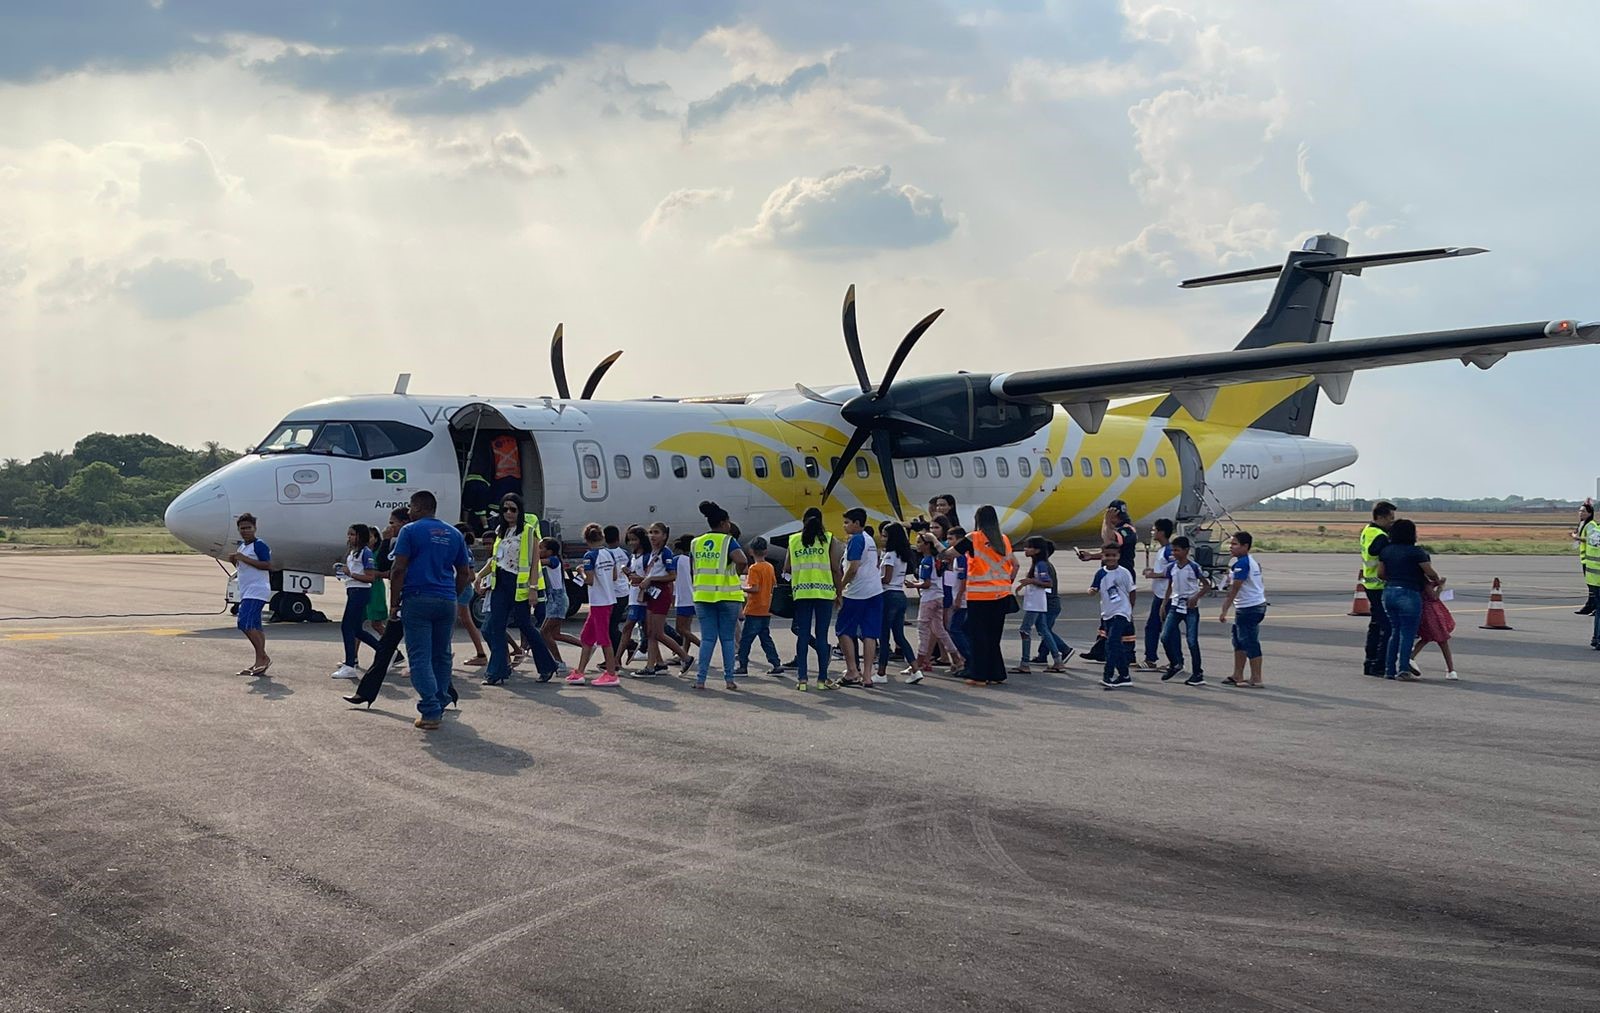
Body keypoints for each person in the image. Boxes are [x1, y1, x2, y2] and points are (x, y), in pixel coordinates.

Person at [389, 490, 474, 730]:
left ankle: (430, 709)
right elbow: (464, 572)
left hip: (418, 598)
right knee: (441, 654)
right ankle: (441, 699)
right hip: (446, 599)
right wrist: (453, 596)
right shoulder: (454, 533)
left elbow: (398, 568)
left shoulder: (410, 531)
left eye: (410, 507)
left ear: (417, 508)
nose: (408, 511)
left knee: (420, 657)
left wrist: (394, 602)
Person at [479, 494, 558, 686]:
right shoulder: (501, 532)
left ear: (520, 511)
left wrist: (532, 589)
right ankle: (497, 671)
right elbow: (496, 561)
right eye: (505, 509)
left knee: (525, 625)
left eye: (513, 509)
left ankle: (547, 665)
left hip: (519, 585)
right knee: (496, 627)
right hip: (500, 584)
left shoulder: (529, 531)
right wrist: (480, 576)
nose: (508, 513)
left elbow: (534, 563)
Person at [345, 508, 414, 707]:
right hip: (405, 599)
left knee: (419, 644)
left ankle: (445, 693)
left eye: (393, 523)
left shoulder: (408, 538)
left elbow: (388, 568)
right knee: (384, 649)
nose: (389, 527)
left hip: (409, 598)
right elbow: (385, 566)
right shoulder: (397, 541)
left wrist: (394, 603)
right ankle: (365, 693)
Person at [691, 500, 750, 691]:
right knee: (727, 639)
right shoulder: (728, 540)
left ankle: (701, 680)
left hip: (703, 595)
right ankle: (729, 679)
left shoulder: (696, 542)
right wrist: (734, 572)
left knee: (707, 639)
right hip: (728, 596)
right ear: (724, 523)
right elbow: (741, 560)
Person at [784, 507, 843, 691]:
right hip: (824, 593)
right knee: (822, 635)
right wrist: (839, 592)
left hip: (802, 593)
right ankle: (822, 679)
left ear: (803, 521)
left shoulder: (794, 540)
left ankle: (802, 679)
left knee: (802, 635)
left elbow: (787, 567)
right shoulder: (828, 539)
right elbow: (835, 568)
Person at [960, 505, 1018, 687]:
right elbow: (1015, 565)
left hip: (979, 597)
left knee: (977, 636)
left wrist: (934, 542)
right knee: (993, 637)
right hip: (1001, 595)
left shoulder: (973, 538)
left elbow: (949, 554)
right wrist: (1006, 582)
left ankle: (979, 675)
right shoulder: (1003, 540)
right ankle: (996, 673)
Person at [1377, 519, 1439, 682]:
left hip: (1389, 592)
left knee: (1395, 631)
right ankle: (1403, 669)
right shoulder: (1416, 551)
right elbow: (1429, 572)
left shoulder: (1386, 551)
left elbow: (1381, 574)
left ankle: (1389, 670)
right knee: (1408, 634)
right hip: (1409, 593)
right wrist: (1436, 579)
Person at [1077, 500, 1138, 662]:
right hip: (1110, 576)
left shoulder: (1127, 531)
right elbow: (1109, 550)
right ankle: (1100, 649)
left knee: (1123, 614)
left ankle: (1128, 653)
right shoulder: (1117, 529)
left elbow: (1109, 539)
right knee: (1108, 612)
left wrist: (1106, 520)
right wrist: (1091, 556)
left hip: (1121, 578)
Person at [634, 522, 693, 676]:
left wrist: (651, 578)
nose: (652, 535)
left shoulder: (665, 553)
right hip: (651, 594)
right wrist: (641, 579)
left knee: (658, 632)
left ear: (664, 536)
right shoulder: (653, 553)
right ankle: (653, 666)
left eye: (656, 532)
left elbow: (672, 575)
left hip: (661, 594)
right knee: (651, 632)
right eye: (650, 532)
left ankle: (685, 657)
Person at [836, 508, 885, 688]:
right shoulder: (869, 539)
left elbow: (853, 567)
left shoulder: (856, 540)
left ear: (857, 523)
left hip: (857, 592)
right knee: (869, 633)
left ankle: (852, 670)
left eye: (847, 522)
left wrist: (840, 586)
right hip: (875, 590)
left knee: (843, 630)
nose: (845, 526)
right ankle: (867, 675)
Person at [907, 531, 961, 682]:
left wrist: (913, 585)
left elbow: (926, 583)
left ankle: (919, 662)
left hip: (929, 599)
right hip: (939, 597)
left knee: (923, 629)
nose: (916, 545)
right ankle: (956, 658)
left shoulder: (925, 561)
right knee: (939, 630)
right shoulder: (937, 559)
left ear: (926, 545)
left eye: (919, 542)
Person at [573, 523, 623, 685]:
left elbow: (590, 580)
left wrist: (580, 571)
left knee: (603, 639)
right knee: (586, 637)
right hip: (608, 598)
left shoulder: (589, 556)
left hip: (599, 601)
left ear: (587, 540)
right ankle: (580, 671)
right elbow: (615, 576)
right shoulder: (610, 553)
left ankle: (611, 673)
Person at [331, 523, 382, 680]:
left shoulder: (365, 553)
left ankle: (349, 664)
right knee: (357, 629)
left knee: (347, 626)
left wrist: (351, 573)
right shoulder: (354, 552)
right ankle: (385, 651)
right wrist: (343, 572)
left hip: (360, 592)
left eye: (352, 534)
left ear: (361, 536)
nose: (349, 537)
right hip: (353, 590)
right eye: (348, 534)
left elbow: (370, 577)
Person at [1159, 535, 1211, 686]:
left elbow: (1206, 585)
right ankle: (1174, 663)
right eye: (1173, 550)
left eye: (1177, 550)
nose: (1174, 553)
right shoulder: (1172, 567)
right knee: (1165, 637)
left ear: (1186, 551)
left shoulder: (1193, 567)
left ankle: (1197, 673)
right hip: (1175, 606)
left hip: (1190, 608)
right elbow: (1170, 586)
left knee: (1192, 641)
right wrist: (1164, 604)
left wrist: (1196, 597)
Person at [1217, 531, 1266, 688]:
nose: (1231, 547)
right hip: (1249, 606)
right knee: (1238, 640)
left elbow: (1234, 589)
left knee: (1249, 641)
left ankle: (1256, 678)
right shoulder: (1248, 562)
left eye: (1235, 544)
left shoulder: (1243, 563)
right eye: (1231, 544)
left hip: (1249, 607)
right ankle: (1237, 674)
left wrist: (1224, 609)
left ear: (1245, 546)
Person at [1014, 536, 1065, 674]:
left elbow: (1048, 583)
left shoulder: (1041, 565)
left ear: (1037, 550)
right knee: (1043, 629)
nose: (1025, 549)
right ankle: (1057, 659)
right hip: (1036, 601)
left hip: (1036, 603)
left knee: (1025, 630)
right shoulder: (1038, 564)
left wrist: (1030, 581)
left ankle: (1025, 663)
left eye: (1029, 547)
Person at [230, 513, 272, 677]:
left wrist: (244, 559)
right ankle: (259, 661)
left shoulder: (259, 545)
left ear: (255, 528)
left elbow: (267, 565)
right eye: (242, 528)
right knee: (255, 625)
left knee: (244, 622)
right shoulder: (242, 546)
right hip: (247, 589)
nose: (245, 531)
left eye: (249, 528)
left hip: (257, 589)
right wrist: (236, 560)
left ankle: (263, 657)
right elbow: (243, 567)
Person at [1089, 542, 1135, 689]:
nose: (1111, 558)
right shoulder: (1101, 573)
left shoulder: (1124, 572)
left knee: (1112, 643)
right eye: (1107, 555)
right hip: (1107, 613)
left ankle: (1107, 675)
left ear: (1118, 556)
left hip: (1121, 612)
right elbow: (1094, 587)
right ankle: (1124, 675)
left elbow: (1132, 591)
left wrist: (1130, 610)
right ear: (1102, 556)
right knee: (1116, 644)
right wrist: (1091, 591)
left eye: (1114, 555)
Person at [736, 536, 783, 675]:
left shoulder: (754, 568)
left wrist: (742, 588)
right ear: (766, 552)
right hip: (767, 608)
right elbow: (774, 584)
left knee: (746, 639)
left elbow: (755, 588)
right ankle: (776, 663)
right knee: (765, 638)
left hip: (754, 608)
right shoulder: (769, 567)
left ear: (751, 551)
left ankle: (743, 665)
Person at [876, 521, 917, 682]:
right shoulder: (903, 555)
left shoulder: (889, 555)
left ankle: (881, 672)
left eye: (885, 536)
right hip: (900, 595)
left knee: (884, 635)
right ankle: (915, 668)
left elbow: (886, 578)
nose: (883, 539)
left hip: (888, 595)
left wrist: (872, 580)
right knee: (899, 635)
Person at [1359, 501, 1396, 676]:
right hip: (1378, 584)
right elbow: (1375, 552)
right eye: (1390, 518)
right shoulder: (1380, 535)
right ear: (1380, 517)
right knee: (1387, 627)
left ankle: (1370, 662)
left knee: (1375, 625)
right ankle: (1379, 664)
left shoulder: (1368, 530)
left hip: (1369, 582)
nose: (1392, 522)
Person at [537, 537, 581, 670]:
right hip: (553, 600)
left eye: (541, 548)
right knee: (555, 634)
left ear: (550, 551)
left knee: (544, 633)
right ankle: (586, 646)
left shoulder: (554, 560)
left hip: (558, 601)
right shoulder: (553, 559)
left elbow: (537, 563)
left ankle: (559, 662)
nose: (538, 551)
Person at [1140, 518, 1175, 671]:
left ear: (1161, 532)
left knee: (1155, 627)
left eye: (1154, 530)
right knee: (1156, 627)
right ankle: (1167, 659)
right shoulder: (1162, 550)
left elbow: (1174, 572)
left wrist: (1154, 575)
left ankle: (1152, 659)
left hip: (1165, 596)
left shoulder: (1168, 551)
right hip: (1159, 594)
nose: (1152, 532)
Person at [452, 525, 488, 669]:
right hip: (462, 589)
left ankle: (445, 653)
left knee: (451, 623)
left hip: (462, 590)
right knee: (466, 621)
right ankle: (480, 654)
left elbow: (471, 575)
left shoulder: (464, 550)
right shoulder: (463, 549)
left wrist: (456, 586)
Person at [1413, 569, 1459, 680]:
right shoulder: (1424, 582)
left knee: (1426, 638)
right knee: (1443, 640)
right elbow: (1433, 597)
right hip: (1432, 612)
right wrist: (1440, 588)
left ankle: (1410, 657)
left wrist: (1437, 582)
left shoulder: (1416, 580)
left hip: (1424, 610)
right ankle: (1451, 669)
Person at [671, 533, 702, 664]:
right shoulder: (695, 559)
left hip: (683, 597)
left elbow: (671, 576)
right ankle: (684, 652)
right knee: (686, 629)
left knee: (680, 628)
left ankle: (703, 646)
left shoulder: (678, 559)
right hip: (693, 595)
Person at [1575, 501, 1600, 630]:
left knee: (1593, 587)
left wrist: (1577, 538)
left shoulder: (1591, 525)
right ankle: (1591, 606)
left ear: (1590, 513)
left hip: (1591, 561)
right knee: (1591, 587)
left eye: (1583, 511)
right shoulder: (1582, 524)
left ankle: (1592, 606)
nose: (1580, 513)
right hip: (1587, 560)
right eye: (1580, 511)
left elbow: (1592, 540)